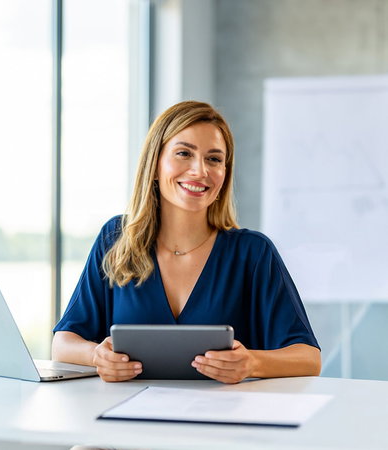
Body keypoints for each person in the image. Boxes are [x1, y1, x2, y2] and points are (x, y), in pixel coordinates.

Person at [52, 100, 321, 383]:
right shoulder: (116, 240)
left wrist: (252, 362)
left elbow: (308, 358)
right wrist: (97, 356)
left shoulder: (252, 253)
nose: (200, 171)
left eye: (214, 159)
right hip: (128, 421)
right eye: (184, 153)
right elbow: (63, 344)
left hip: (226, 420)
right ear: (155, 164)